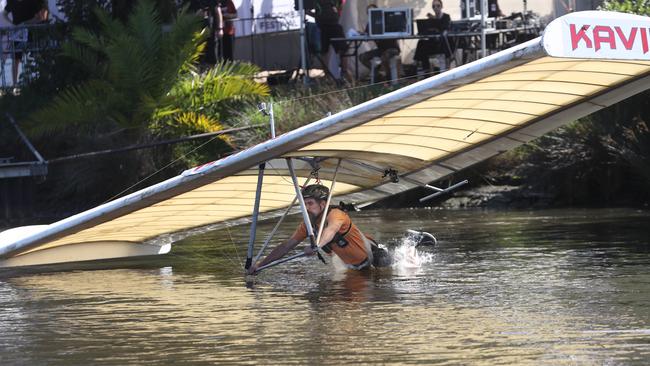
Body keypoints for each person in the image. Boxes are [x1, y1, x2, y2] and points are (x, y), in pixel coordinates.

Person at [248, 184, 391, 274]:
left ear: (322, 204)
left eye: (310, 203)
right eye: (304, 204)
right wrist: (260, 265)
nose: (306, 208)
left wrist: (316, 246)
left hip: (375, 259)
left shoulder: (336, 214)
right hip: (356, 268)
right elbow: (286, 246)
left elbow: (331, 230)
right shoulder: (308, 225)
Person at [2, 0, 48, 91]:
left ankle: (43, 81)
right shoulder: (12, 1)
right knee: (16, 59)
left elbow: (40, 16)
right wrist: (11, 23)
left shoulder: (31, 2)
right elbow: (4, 13)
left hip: (31, 32)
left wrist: (28, 23)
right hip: (17, 33)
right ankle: (15, 85)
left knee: (37, 55)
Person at [307, 0, 347, 83]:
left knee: (342, 49)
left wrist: (336, 14)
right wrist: (318, 17)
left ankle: (344, 73)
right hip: (322, 27)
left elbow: (341, 4)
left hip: (335, 25)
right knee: (324, 51)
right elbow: (307, 11)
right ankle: (327, 74)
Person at [359, 4, 400, 83]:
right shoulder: (370, 24)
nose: (370, 13)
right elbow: (367, 36)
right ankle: (377, 74)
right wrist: (361, 34)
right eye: (369, 12)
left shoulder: (386, 20)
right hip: (381, 49)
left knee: (384, 56)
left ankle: (389, 78)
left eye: (372, 11)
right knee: (362, 57)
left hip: (392, 48)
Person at [413, 0, 451, 74]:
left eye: (438, 6)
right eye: (433, 6)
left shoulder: (446, 17)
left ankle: (416, 62)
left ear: (442, 6)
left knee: (423, 48)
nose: (436, 8)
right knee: (421, 43)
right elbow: (428, 30)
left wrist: (435, 19)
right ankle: (425, 69)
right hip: (434, 44)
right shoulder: (431, 19)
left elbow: (444, 27)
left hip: (443, 44)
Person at [187, 0, 222, 66]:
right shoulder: (193, 2)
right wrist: (196, 15)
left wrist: (220, 28)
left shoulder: (213, 2)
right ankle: (199, 74)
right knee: (197, 58)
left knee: (212, 57)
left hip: (211, 32)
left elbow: (218, 12)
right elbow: (187, 13)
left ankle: (213, 74)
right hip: (197, 33)